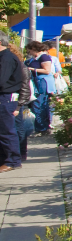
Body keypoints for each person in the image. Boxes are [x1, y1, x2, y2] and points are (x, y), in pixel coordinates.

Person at [0, 33, 25, 173]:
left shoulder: (6, 58)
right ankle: (6, 159)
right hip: (6, 96)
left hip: (6, 97)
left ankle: (12, 161)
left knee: (7, 130)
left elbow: (2, 80)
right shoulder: (5, 57)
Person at [25, 42, 53, 134]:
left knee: (39, 103)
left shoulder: (44, 57)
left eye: (30, 50)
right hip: (36, 81)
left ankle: (42, 128)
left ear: (33, 49)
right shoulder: (33, 59)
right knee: (38, 103)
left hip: (42, 82)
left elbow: (47, 70)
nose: (29, 52)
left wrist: (32, 69)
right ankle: (41, 127)